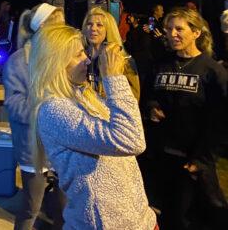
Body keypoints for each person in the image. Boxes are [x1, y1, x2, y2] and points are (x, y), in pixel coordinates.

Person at [29, 24, 156, 229]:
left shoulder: (84, 95)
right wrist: (113, 78)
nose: (88, 60)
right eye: (79, 54)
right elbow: (131, 140)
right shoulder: (53, 110)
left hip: (139, 220)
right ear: (56, 63)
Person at [146, 8, 228, 230]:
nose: (173, 34)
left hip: (192, 160)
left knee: (195, 217)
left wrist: (202, 159)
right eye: (169, 29)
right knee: (164, 213)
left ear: (196, 33)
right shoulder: (161, 65)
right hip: (163, 156)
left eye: (179, 29)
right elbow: (149, 95)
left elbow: (221, 120)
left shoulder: (212, 71)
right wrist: (152, 106)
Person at [3, 3, 66, 230]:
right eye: (57, 25)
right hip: (33, 147)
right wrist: (47, 110)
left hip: (62, 146)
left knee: (65, 209)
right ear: (42, 28)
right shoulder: (19, 61)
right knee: (31, 209)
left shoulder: (66, 58)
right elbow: (14, 104)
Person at [82, 7, 141, 100]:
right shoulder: (80, 58)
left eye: (99, 25)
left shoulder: (124, 60)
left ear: (108, 29)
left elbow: (133, 98)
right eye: (89, 24)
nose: (93, 28)